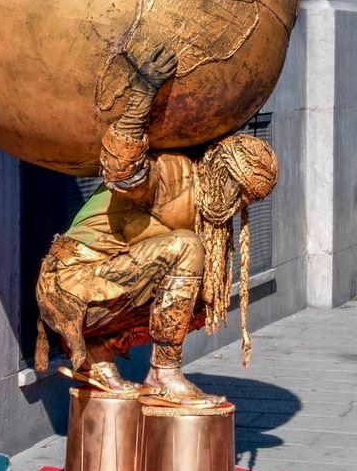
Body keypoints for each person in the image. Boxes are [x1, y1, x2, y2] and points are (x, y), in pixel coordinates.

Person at [32, 45, 278, 405]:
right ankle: (164, 374)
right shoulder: (174, 174)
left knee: (204, 287)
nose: (241, 206)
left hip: (101, 288)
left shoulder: (205, 209)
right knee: (186, 249)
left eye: (250, 202)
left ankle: (99, 355)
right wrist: (141, 96)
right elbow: (121, 171)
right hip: (69, 284)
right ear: (224, 174)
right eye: (241, 194)